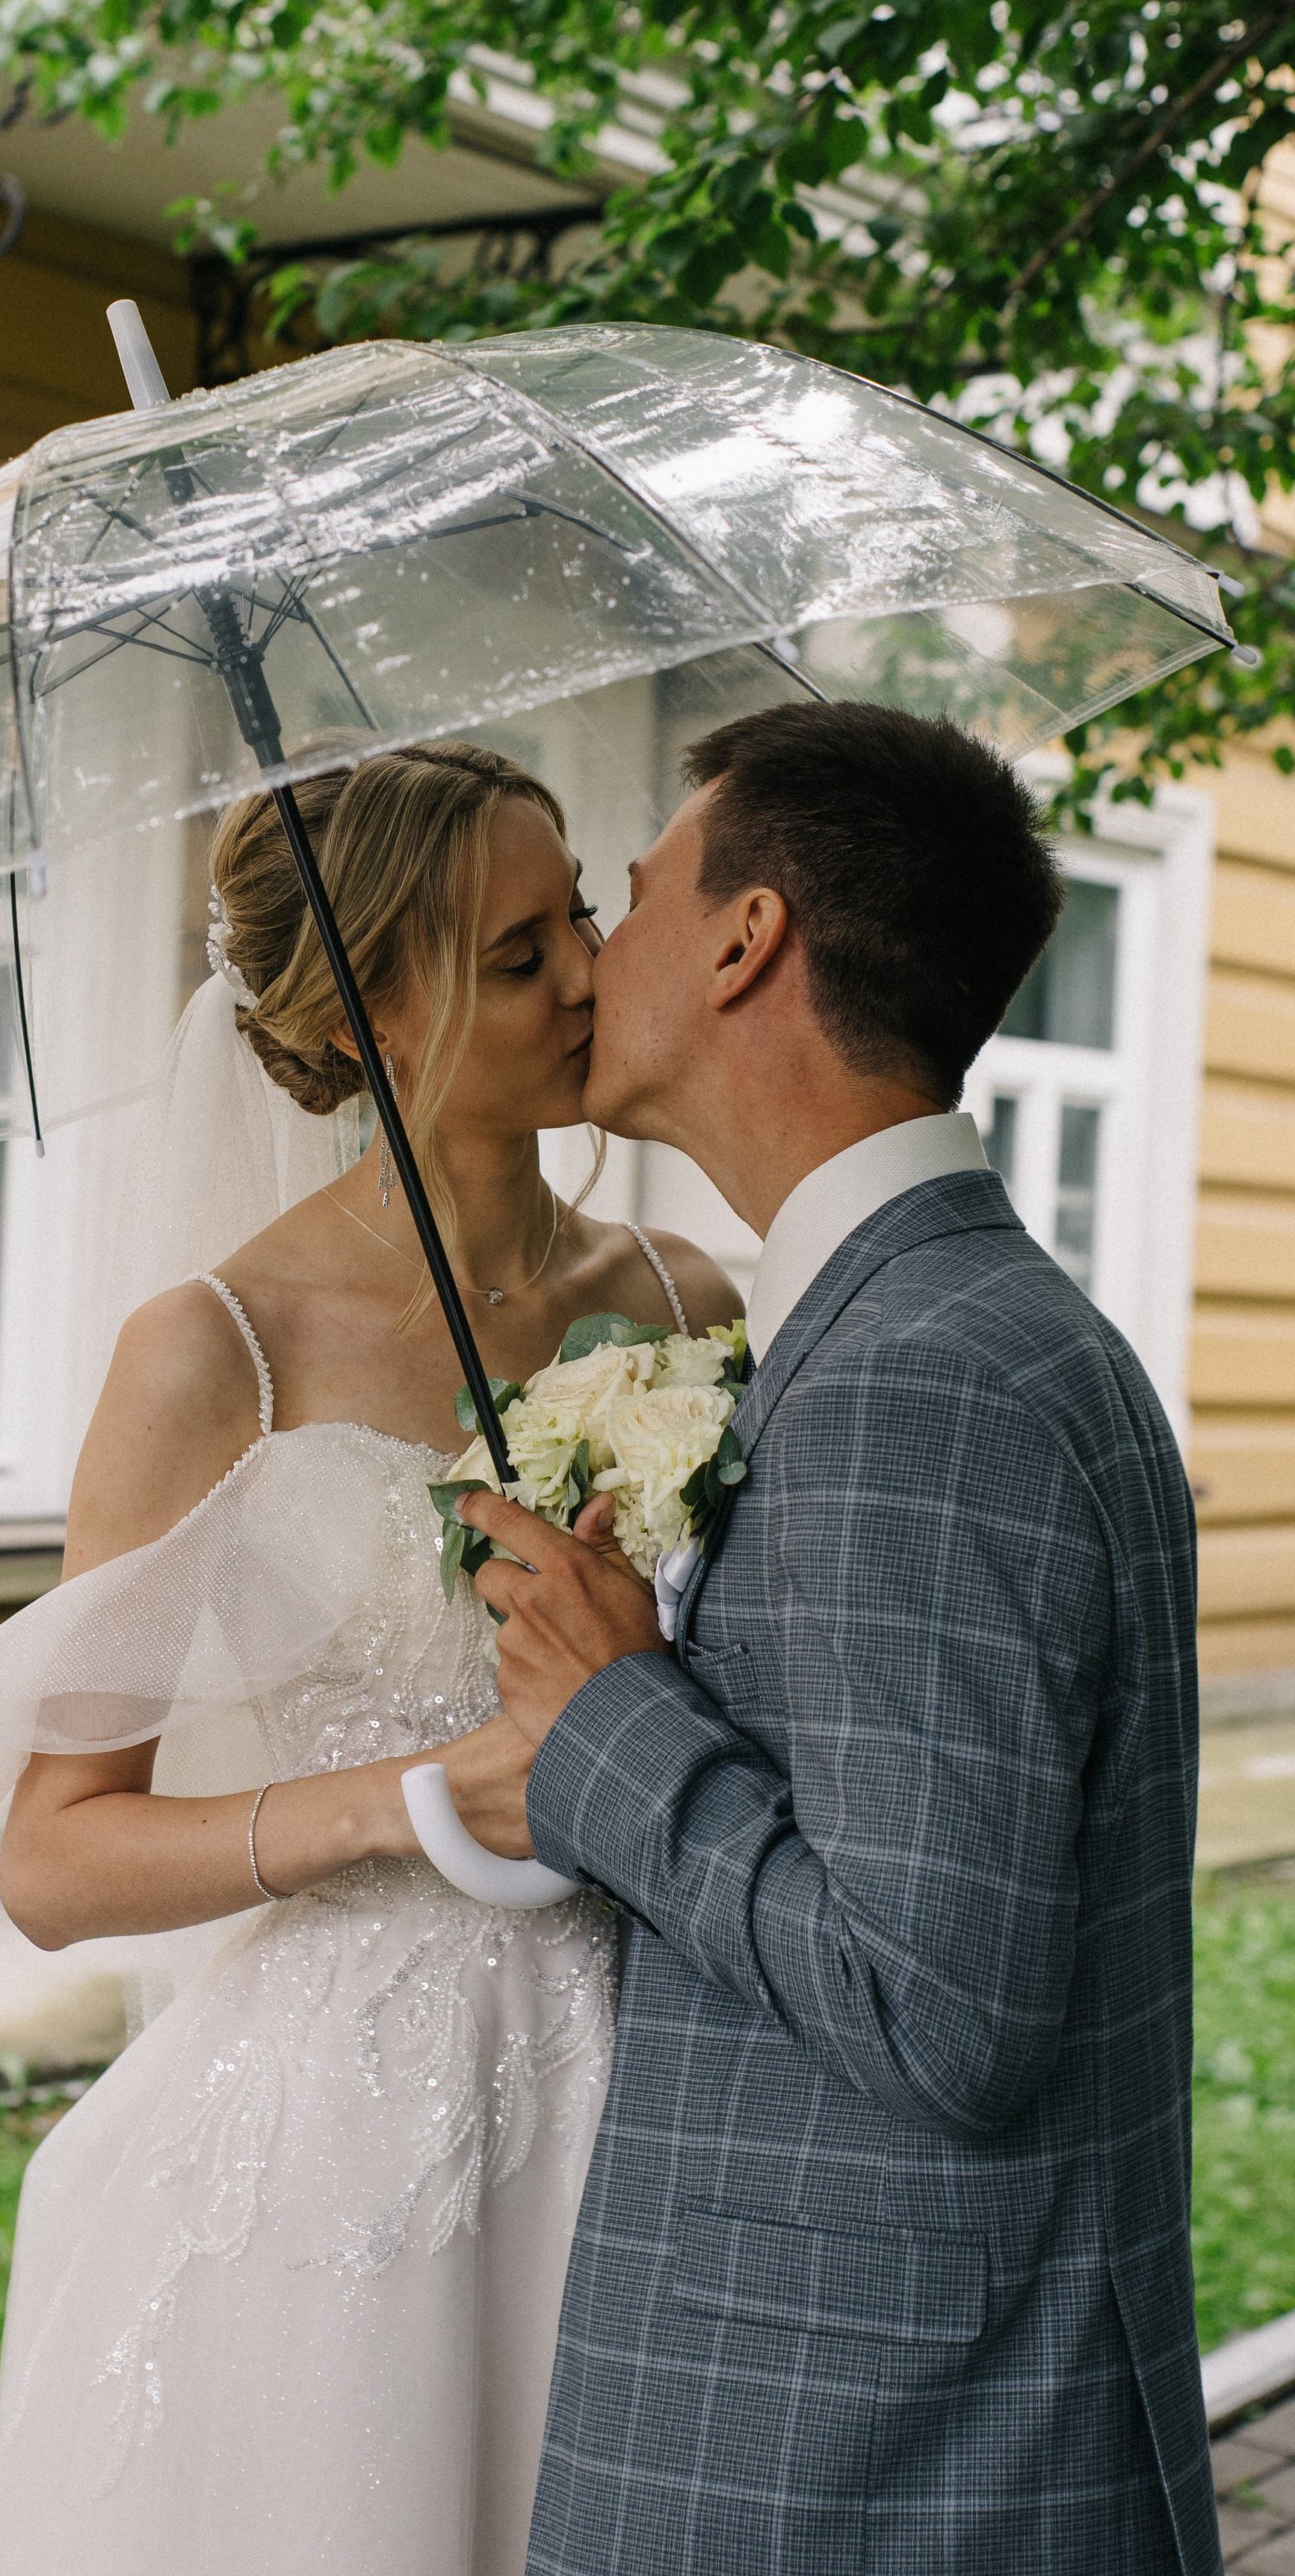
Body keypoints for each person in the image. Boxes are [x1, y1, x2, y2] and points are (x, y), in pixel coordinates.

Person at [0, 737, 739, 2575]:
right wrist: (416, 1802)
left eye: (579, 913)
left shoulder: (681, 1304)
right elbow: (54, 1861)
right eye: (520, 955)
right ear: (363, 1017)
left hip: (665, 2075)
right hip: (355, 2136)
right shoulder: (218, 1352)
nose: (590, 973)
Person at [453, 700, 1221, 2575]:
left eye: (628, 897)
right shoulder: (944, 1326)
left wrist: (611, 1723)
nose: (595, 951)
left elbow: (938, 2011)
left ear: (743, 939)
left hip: (870, 2460)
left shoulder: (919, 1380)